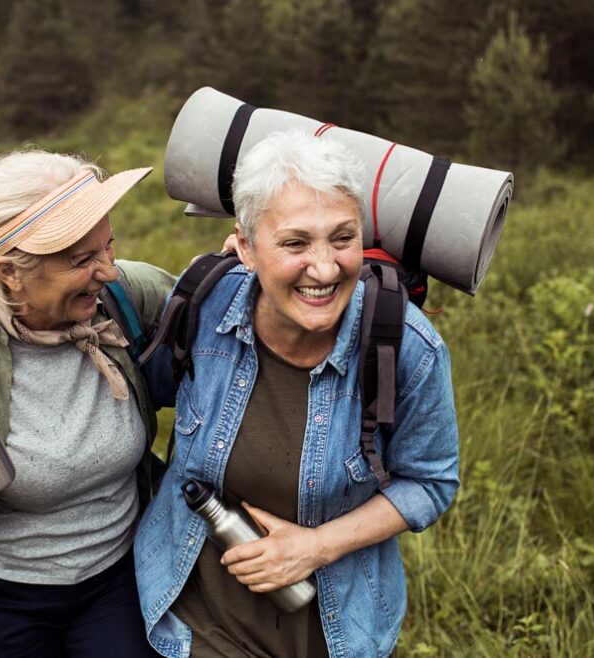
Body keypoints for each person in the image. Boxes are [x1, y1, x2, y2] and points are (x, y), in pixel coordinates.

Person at [134, 131, 460, 657]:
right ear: (244, 246)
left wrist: (316, 547)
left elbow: (431, 481)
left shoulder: (406, 348)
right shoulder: (205, 305)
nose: (326, 268)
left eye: (342, 238)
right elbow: (142, 401)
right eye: (294, 243)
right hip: (193, 623)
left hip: (336, 633)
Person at [0, 150, 174, 657]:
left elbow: (227, 314)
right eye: (81, 260)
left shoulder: (124, 297)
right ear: (9, 273)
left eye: (108, 247)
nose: (107, 271)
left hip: (118, 577)